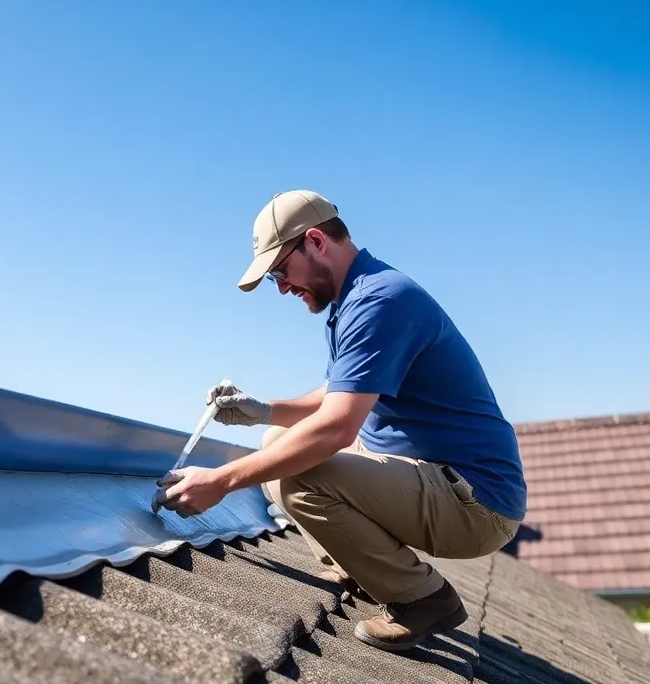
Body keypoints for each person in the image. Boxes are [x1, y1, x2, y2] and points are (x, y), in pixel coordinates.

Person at [155, 190, 526, 652]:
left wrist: (222, 481)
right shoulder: (357, 296)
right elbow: (337, 394)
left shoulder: (380, 302)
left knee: (297, 474)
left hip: (476, 503)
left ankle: (424, 599)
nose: (283, 287)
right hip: (437, 481)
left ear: (315, 241)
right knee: (278, 440)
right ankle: (363, 567)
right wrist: (264, 412)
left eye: (279, 272)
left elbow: (336, 428)